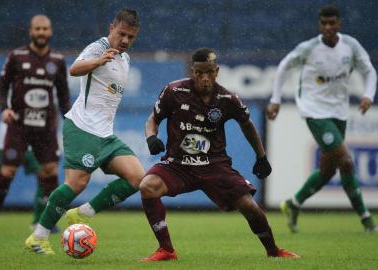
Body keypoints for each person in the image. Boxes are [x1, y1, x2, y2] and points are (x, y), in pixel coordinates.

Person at [138, 48, 300, 262]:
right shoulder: (174, 91)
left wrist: (261, 156)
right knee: (147, 186)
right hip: (178, 164)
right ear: (192, 71)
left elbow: (247, 126)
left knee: (249, 206)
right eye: (199, 72)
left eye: (209, 72)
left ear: (217, 71)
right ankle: (166, 250)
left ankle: (273, 251)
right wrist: (151, 137)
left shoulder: (227, 98)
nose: (204, 78)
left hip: (214, 165)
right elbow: (153, 120)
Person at [25, 8, 145, 255]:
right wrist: (99, 61)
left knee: (137, 178)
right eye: (121, 34)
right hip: (82, 127)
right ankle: (38, 237)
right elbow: (75, 68)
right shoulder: (99, 47)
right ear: (111, 27)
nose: (125, 41)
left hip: (105, 134)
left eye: (130, 37)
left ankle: (82, 213)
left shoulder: (125, 58)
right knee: (77, 183)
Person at [266, 5, 377, 233]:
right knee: (346, 161)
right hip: (314, 111)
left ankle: (293, 204)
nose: (328, 27)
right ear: (320, 25)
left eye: (332, 23)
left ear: (339, 24)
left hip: (339, 111)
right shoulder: (309, 48)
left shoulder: (350, 46)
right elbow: (284, 66)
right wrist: (276, 99)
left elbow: (369, 71)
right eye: (323, 23)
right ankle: (367, 220)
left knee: (328, 171)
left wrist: (368, 94)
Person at [0, 14, 71, 233]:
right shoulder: (16, 56)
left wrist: (70, 120)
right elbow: (1, 88)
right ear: (31, 31)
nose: (41, 32)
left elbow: (64, 96)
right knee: (7, 171)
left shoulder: (57, 60)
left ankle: (49, 222)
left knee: (50, 172)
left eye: (45, 29)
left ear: (50, 32)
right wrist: (5, 109)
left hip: (46, 126)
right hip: (18, 124)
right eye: (37, 29)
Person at [0, 95, 59, 233]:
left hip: (35, 141)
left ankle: (39, 221)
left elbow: (53, 108)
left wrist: (52, 132)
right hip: (7, 141)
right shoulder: (13, 76)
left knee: (44, 177)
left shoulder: (45, 81)